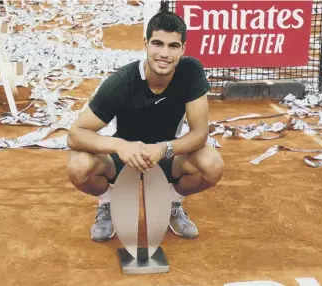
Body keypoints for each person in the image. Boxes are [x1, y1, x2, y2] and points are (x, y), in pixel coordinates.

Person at [67, 11, 224, 242]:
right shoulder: (122, 82)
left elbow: (200, 134)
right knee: (78, 166)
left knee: (212, 164)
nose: (164, 53)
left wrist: (164, 148)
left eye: (173, 46)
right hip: (123, 159)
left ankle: (171, 202)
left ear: (183, 49)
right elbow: (75, 135)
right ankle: (108, 204)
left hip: (167, 156)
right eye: (157, 43)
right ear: (145, 44)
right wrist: (120, 145)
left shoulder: (191, 72)